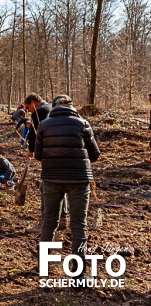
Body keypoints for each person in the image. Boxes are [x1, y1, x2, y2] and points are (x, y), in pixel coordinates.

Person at [35, 94, 100, 274]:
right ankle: (78, 274)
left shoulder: (44, 125)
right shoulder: (83, 123)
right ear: (72, 106)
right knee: (79, 224)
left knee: (49, 222)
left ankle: (43, 266)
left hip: (52, 178)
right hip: (79, 179)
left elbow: (38, 155)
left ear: (54, 107)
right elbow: (95, 154)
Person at [23, 93, 67, 234]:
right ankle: (63, 218)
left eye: (28, 106)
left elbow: (34, 134)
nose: (28, 110)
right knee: (61, 184)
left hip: (49, 154)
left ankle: (45, 221)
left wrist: (31, 150)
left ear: (33, 102)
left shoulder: (39, 112)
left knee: (46, 186)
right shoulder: (51, 109)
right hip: (63, 154)